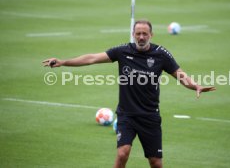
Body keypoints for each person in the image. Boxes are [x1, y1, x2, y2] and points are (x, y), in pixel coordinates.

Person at [43, 19, 215, 168]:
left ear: (151, 35)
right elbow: (92, 58)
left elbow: (180, 74)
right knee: (122, 154)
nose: (141, 37)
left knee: (156, 163)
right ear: (133, 34)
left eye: (145, 34)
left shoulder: (161, 54)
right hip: (126, 115)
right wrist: (64, 62)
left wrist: (196, 86)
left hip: (150, 117)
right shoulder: (122, 51)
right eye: (138, 33)